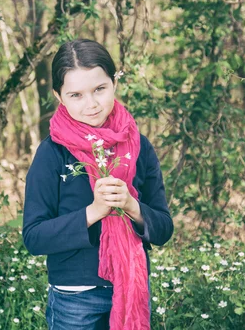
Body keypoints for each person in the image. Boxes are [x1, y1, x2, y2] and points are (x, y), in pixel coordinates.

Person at [22, 39, 174, 330]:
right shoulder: (52, 152)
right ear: (59, 96)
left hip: (132, 288)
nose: (90, 104)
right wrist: (94, 211)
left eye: (99, 89)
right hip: (74, 299)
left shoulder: (139, 147)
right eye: (76, 94)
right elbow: (34, 236)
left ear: (114, 83)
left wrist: (131, 205)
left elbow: (163, 230)